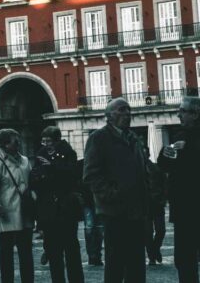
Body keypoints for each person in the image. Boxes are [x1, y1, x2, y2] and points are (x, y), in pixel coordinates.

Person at [83, 97, 149, 283]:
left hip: (137, 210)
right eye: (121, 110)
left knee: (136, 263)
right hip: (114, 211)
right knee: (115, 262)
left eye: (128, 110)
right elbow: (91, 175)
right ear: (109, 116)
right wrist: (112, 194)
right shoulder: (98, 138)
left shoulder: (133, 138)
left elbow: (142, 170)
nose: (127, 113)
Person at [31, 126, 84, 283]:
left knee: (71, 249)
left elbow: (72, 175)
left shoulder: (68, 153)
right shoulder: (40, 154)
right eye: (44, 140)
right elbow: (35, 177)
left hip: (66, 208)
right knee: (53, 251)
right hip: (48, 209)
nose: (46, 144)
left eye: (49, 141)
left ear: (57, 140)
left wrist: (51, 168)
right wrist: (40, 175)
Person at [158, 95, 200, 283]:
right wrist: (164, 154)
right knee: (183, 259)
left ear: (196, 114)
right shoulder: (180, 134)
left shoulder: (189, 139)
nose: (179, 114)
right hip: (183, 207)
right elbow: (165, 165)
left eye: (183, 111)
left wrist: (189, 149)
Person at [0, 127, 34, 283]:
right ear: (5, 144)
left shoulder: (25, 161)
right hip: (7, 215)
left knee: (26, 253)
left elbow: (32, 184)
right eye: (15, 141)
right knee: (6, 255)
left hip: (25, 213)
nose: (19, 143)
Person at [144, 147, 166, 267]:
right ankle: (152, 255)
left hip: (157, 203)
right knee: (147, 232)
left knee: (161, 230)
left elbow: (164, 183)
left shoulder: (156, 167)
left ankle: (155, 249)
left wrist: (163, 198)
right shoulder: (134, 170)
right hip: (144, 204)